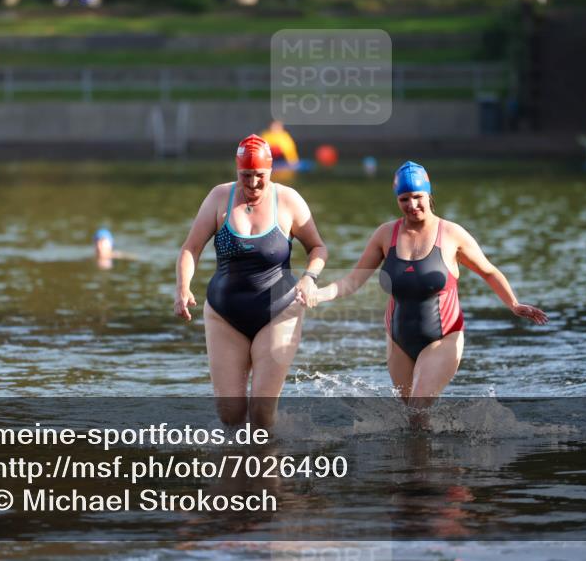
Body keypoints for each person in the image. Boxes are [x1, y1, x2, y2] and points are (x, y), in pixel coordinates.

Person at [313, 161, 548, 406]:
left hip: (443, 339)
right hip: (398, 342)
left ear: (428, 194)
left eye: (417, 197)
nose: (412, 205)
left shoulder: (452, 234)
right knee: (410, 421)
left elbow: (489, 272)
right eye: (404, 199)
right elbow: (353, 280)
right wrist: (320, 294)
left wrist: (513, 303)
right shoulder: (385, 235)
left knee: (418, 408)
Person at [174, 135, 327, 427]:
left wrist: (309, 278)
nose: (254, 183)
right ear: (236, 170)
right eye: (246, 176)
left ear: (272, 170)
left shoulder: (289, 200)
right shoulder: (219, 197)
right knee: (230, 416)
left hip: (279, 312)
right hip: (224, 316)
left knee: (260, 414)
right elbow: (190, 249)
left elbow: (318, 248)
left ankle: (269, 464)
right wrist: (182, 288)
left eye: (261, 176)